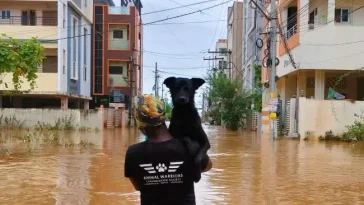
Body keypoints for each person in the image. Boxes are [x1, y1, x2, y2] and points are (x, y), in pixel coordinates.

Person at [124, 94, 212, 205]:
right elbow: (208, 166)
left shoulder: (133, 153)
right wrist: (185, 172)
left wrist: (158, 178)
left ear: (140, 123)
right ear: (164, 117)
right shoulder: (190, 147)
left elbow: (138, 186)